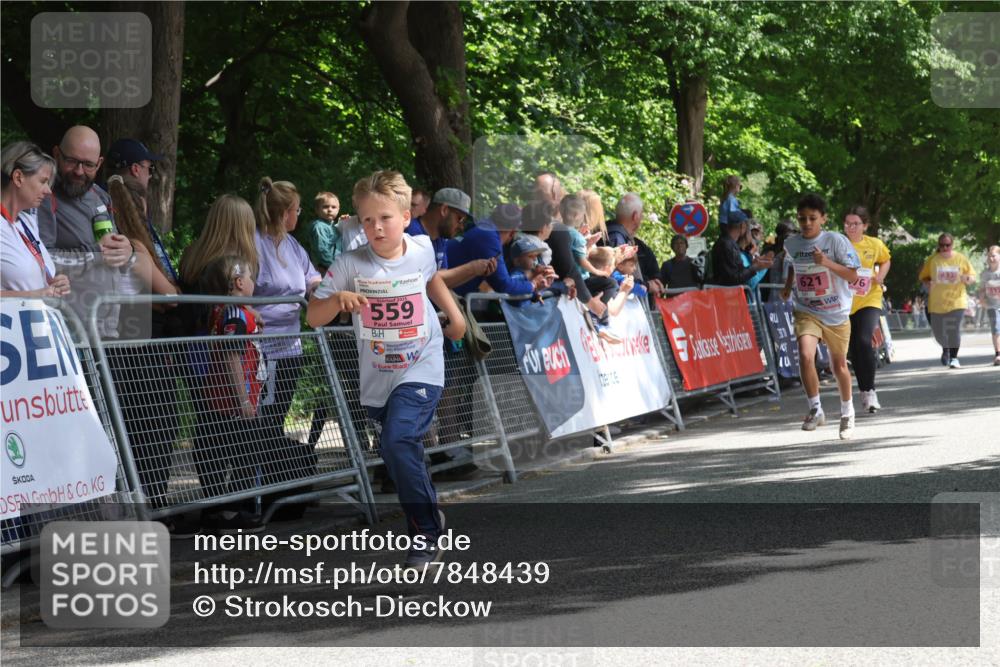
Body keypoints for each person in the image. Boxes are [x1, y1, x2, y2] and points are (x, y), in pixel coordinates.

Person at [306, 170, 466, 568]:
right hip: (378, 373)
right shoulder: (349, 264)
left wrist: (455, 317)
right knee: (398, 450)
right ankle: (429, 511)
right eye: (367, 220)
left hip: (422, 364)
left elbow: (431, 279)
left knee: (397, 441)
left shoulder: (421, 249)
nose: (376, 228)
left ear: (406, 217)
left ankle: (426, 536)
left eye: (385, 218)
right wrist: (337, 299)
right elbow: (313, 316)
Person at [253, 177, 322, 489]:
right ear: (283, 214)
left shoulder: (294, 246)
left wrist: (328, 291)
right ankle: (256, 487)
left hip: (290, 348)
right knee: (260, 422)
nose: (300, 214)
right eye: (296, 210)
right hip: (260, 352)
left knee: (277, 417)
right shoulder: (252, 242)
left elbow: (312, 280)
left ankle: (273, 485)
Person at [36, 126, 136, 338]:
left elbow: (118, 260)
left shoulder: (100, 195)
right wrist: (95, 252)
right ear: (56, 154)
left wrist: (127, 251)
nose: (79, 171)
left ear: (99, 164)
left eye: (88, 164)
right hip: (68, 332)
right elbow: (40, 262)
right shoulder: (43, 195)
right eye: (71, 161)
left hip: (108, 330)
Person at [197, 254, 268, 533]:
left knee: (228, 451)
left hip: (225, 400)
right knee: (242, 452)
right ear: (239, 282)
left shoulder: (228, 309)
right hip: (232, 402)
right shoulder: (234, 314)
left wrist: (254, 313)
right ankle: (228, 511)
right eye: (250, 277)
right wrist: (243, 400)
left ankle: (221, 509)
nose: (254, 282)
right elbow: (232, 357)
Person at [781, 193, 861, 439]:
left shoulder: (835, 241)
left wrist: (826, 262)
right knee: (806, 354)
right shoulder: (792, 243)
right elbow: (795, 265)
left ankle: (847, 412)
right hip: (807, 309)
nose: (806, 223)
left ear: (823, 219)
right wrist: (787, 286)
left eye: (812, 218)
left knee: (838, 366)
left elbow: (852, 276)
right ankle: (815, 409)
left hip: (835, 311)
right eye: (802, 218)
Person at [1, 142, 70, 298]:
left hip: (37, 320)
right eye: (43, 181)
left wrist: (54, 283)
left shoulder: (27, 222)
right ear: (18, 178)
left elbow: (34, 279)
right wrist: (34, 294)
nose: (48, 191)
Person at [843, 206, 892, 412]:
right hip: (845, 301)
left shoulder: (874, 243)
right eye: (847, 223)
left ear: (865, 225)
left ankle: (870, 391)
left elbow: (886, 260)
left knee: (864, 341)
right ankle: (863, 391)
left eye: (855, 224)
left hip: (869, 298)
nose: (851, 227)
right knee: (854, 348)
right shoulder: (838, 243)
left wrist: (880, 277)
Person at [447, 203, 548, 299]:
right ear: (513, 232)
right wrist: (533, 284)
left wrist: (533, 275)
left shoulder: (484, 228)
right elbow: (503, 284)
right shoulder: (488, 236)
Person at [405, 187, 496, 286]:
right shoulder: (412, 232)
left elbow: (443, 283)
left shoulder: (440, 239)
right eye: (460, 219)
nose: (461, 227)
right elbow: (427, 280)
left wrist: (475, 271)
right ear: (444, 210)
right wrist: (472, 268)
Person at [918, 233, 976, 368]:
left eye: (947, 245)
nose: (945, 248)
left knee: (953, 330)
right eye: (942, 245)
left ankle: (954, 358)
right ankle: (946, 348)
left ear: (952, 245)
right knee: (938, 332)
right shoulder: (933, 260)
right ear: (938, 246)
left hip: (957, 300)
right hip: (937, 303)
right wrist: (927, 282)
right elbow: (923, 276)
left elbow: (972, 276)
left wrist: (968, 279)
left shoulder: (961, 259)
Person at [605, 193, 663, 295]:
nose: (642, 219)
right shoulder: (617, 238)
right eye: (641, 215)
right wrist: (647, 286)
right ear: (635, 216)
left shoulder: (609, 233)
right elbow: (616, 276)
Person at [711, 218, 772, 286]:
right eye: (752, 233)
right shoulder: (734, 250)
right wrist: (761, 266)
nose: (755, 237)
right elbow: (750, 282)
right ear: (744, 229)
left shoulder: (743, 252)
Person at [560, 194, 601, 280]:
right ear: (576, 215)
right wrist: (599, 272)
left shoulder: (555, 230)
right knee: (610, 283)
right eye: (583, 215)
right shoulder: (577, 237)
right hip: (579, 279)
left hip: (561, 273)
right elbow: (583, 262)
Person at [299, 192, 342, 274]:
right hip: (324, 268)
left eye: (333, 207)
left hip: (334, 265)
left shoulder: (333, 226)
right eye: (325, 207)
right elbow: (322, 250)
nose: (330, 210)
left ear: (338, 209)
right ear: (317, 210)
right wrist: (335, 266)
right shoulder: (319, 227)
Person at [978, 245, 1000, 366]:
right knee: (996, 329)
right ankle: (998, 354)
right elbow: (981, 289)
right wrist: (982, 300)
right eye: (989, 256)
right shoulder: (985, 274)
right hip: (992, 306)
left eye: (994, 256)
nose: (991, 258)